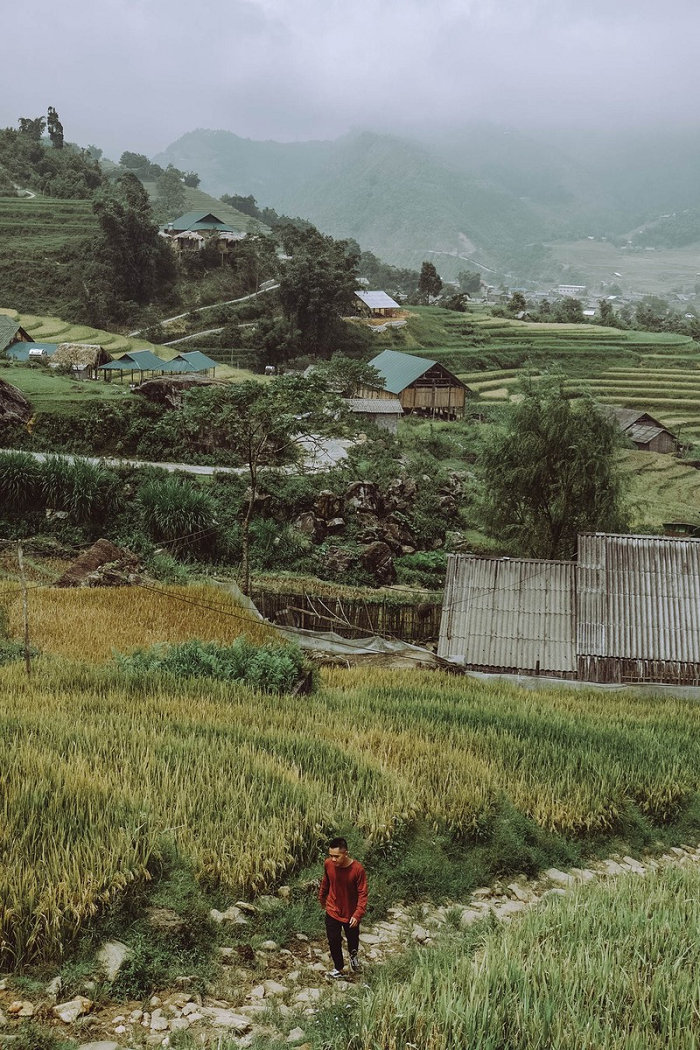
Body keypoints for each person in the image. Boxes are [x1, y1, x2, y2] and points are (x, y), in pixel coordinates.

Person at [318, 836, 368, 978]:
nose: (333, 860)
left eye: (337, 856)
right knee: (333, 939)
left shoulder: (357, 870)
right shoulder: (328, 864)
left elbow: (363, 894)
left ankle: (353, 957)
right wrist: (322, 898)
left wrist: (357, 914)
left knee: (352, 939)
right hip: (332, 909)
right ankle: (338, 968)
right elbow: (326, 882)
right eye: (331, 856)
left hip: (350, 913)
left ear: (345, 853)